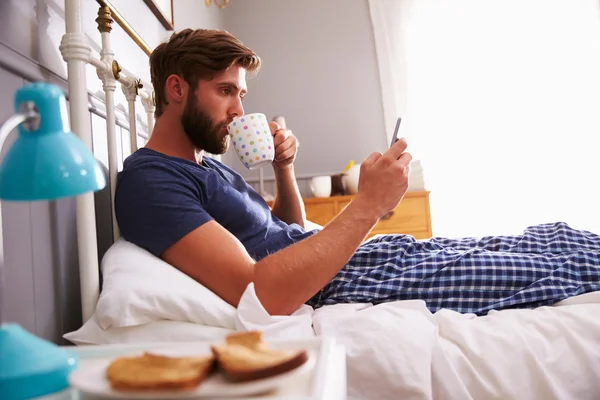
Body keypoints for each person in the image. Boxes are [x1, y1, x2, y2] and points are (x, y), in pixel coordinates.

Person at [115, 29, 600, 316]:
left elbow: (283, 228)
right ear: (176, 90)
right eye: (226, 92)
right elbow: (259, 292)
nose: (240, 111)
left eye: (241, 94)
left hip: (345, 260)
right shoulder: (150, 180)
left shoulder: (206, 167)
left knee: (553, 239)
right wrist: (368, 205)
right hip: (340, 284)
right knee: (543, 269)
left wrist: (286, 170)